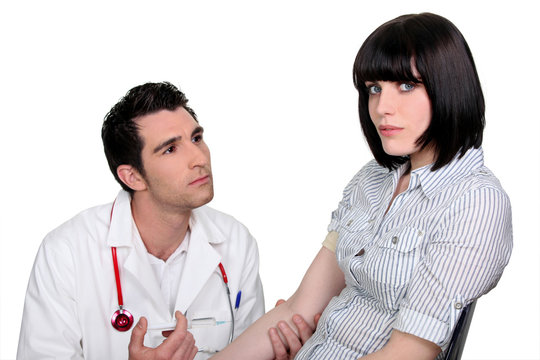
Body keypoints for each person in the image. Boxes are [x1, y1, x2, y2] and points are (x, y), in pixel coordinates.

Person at [211, 12, 513, 360]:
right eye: (374, 88)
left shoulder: (475, 201)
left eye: (406, 85)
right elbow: (298, 308)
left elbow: (409, 353)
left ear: (450, 86)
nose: (382, 107)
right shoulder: (371, 180)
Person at [17, 82, 265, 360]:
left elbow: (250, 350)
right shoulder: (67, 251)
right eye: (170, 149)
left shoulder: (236, 242)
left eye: (196, 138)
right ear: (132, 177)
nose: (199, 158)